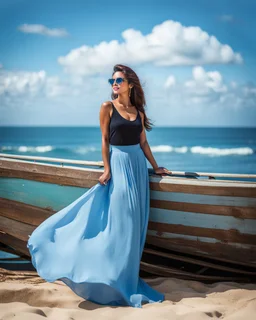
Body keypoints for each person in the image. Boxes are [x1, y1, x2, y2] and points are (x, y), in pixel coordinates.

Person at [27, 64, 172, 308]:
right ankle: (109, 278)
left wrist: (156, 167)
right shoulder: (107, 107)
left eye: (118, 80)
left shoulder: (138, 111)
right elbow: (105, 140)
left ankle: (126, 279)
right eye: (112, 81)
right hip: (119, 164)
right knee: (121, 222)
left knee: (134, 226)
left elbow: (144, 143)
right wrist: (107, 168)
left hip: (138, 168)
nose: (114, 84)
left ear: (130, 85)